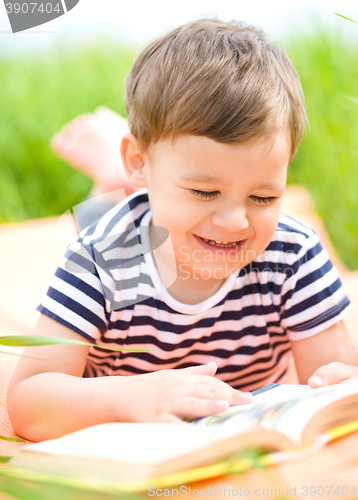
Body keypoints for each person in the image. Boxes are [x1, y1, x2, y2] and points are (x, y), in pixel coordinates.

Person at [7, 18, 358, 442]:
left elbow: (335, 378)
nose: (236, 222)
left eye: (263, 197)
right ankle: (109, 179)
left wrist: (340, 383)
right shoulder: (100, 259)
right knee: (105, 221)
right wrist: (133, 395)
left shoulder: (292, 251)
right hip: (132, 241)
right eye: (205, 191)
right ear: (137, 161)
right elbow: (28, 401)